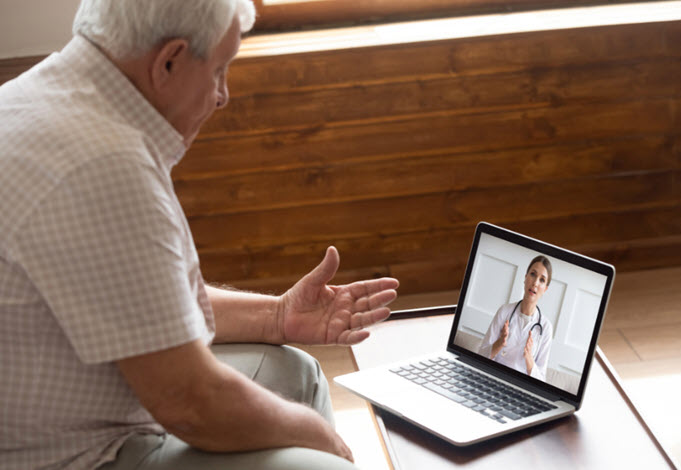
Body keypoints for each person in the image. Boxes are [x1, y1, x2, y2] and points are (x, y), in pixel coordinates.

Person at [0, 1, 399, 469]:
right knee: (323, 459)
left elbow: (142, 299)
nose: (222, 95)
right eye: (219, 70)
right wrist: (321, 438)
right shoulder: (103, 164)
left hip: (72, 408)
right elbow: (191, 404)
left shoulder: (42, 95)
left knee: (296, 373)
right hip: (75, 455)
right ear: (169, 60)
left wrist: (277, 316)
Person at [477, 256, 553, 380]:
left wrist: (529, 360)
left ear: (545, 289)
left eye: (542, 280)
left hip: (520, 386)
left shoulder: (546, 328)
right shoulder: (504, 311)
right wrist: (500, 343)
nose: (535, 283)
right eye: (533, 274)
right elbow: (480, 356)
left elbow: (541, 380)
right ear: (525, 277)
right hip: (493, 377)